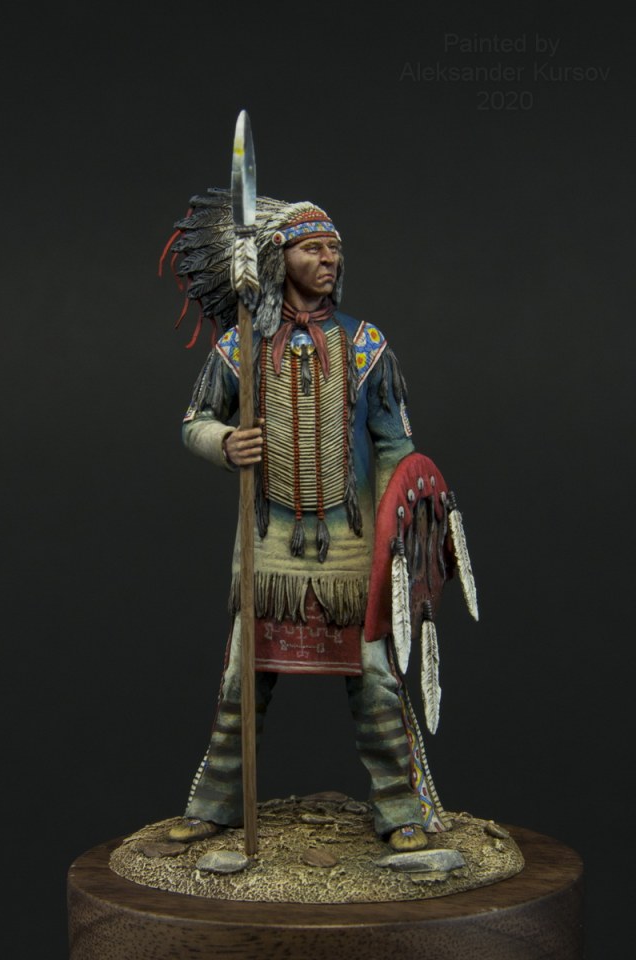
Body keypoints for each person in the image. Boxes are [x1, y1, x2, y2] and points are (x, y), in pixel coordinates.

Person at [164, 191, 447, 851]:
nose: (329, 259)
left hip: (352, 546)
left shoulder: (366, 345)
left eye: (334, 249)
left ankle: (401, 811)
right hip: (269, 548)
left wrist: (397, 528)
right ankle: (216, 805)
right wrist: (225, 443)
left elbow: (395, 447)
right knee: (242, 679)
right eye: (313, 248)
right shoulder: (242, 343)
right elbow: (194, 422)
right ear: (278, 258)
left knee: (375, 679)